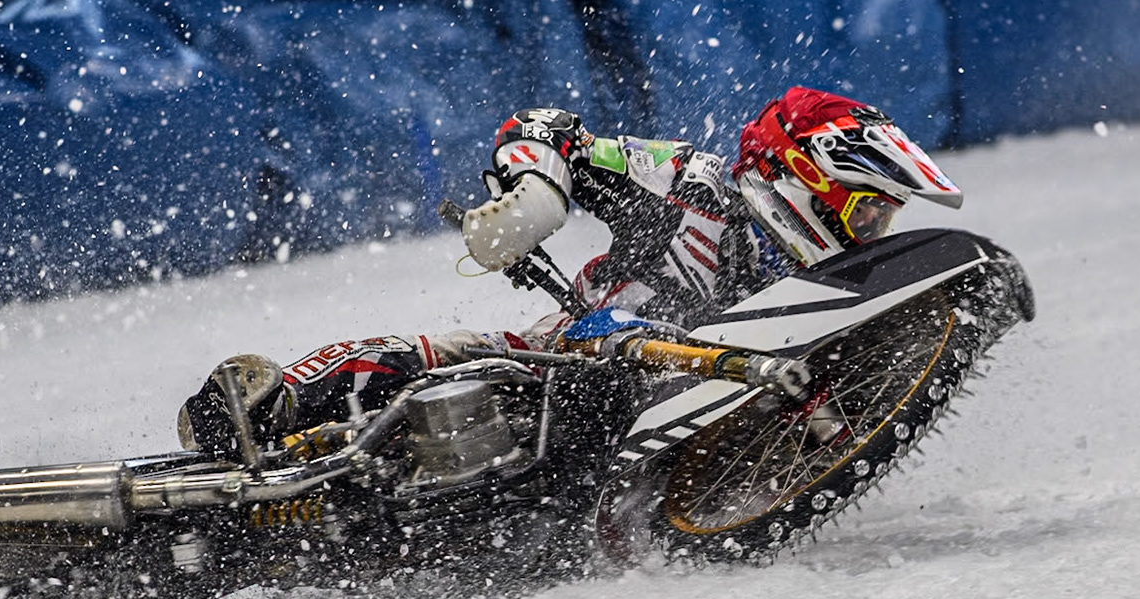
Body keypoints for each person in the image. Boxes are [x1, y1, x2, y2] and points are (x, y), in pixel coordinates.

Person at [178, 87, 962, 457]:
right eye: (868, 212)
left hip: (665, 424)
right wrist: (537, 197)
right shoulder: (697, 188)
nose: (873, 232)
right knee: (444, 357)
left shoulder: (821, 303)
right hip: (565, 361)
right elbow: (547, 130)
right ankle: (266, 400)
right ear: (806, 181)